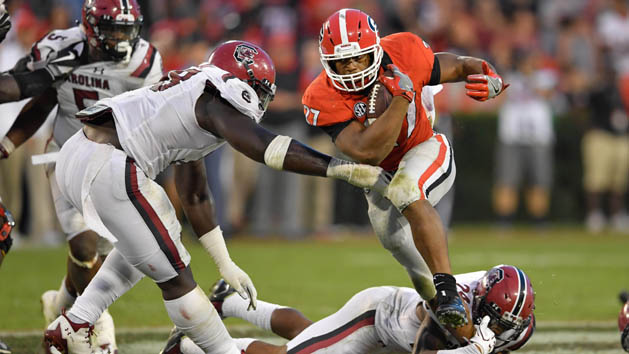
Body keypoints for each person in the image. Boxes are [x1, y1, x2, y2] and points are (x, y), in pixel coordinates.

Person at [43, 40, 390, 354]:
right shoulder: (216, 97)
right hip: (107, 163)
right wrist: (340, 169)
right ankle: (223, 351)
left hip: (81, 153)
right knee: (177, 277)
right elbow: (265, 147)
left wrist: (225, 263)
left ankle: (74, 324)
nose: (260, 102)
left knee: (154, 237)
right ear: (240, 84)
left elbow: (194, 195)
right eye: (258, 91)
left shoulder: (193, 97)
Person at [301, 8, 509, 328]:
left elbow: (456, 65)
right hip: (379, 171)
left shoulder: (404, 50)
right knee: (395, 241)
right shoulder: (320, 95)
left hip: (425, 148)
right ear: (327, 62)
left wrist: (487, 71)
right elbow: (367, 152)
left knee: (407, 190)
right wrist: (401, 97)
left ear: (376, 49)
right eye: (343, 62)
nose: (352, 68)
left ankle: (449, 289)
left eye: (358, 58)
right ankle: (439, 304)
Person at [0, 0, 163, 350]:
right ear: (89, 27)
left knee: (98, 257)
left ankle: (61, 304)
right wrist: (10, 143)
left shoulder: (145, 61)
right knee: (84, 243)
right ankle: (97, 325)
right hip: (66, 154)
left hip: (114, 163)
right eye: (112, 30)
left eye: (126, 30)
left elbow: (150, 119)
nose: (120, 38)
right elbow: (39, 99)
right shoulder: (61, 46)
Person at [161, 264, 535, 354]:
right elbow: (427, 344)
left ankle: (229, 299)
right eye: (493, 319)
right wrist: (475, 347)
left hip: (396, 342)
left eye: (507, 324)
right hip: (378, 318)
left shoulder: (518, 327)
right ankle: (193, 346)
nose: (499, 329)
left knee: (309, 332)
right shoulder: (452, 300)